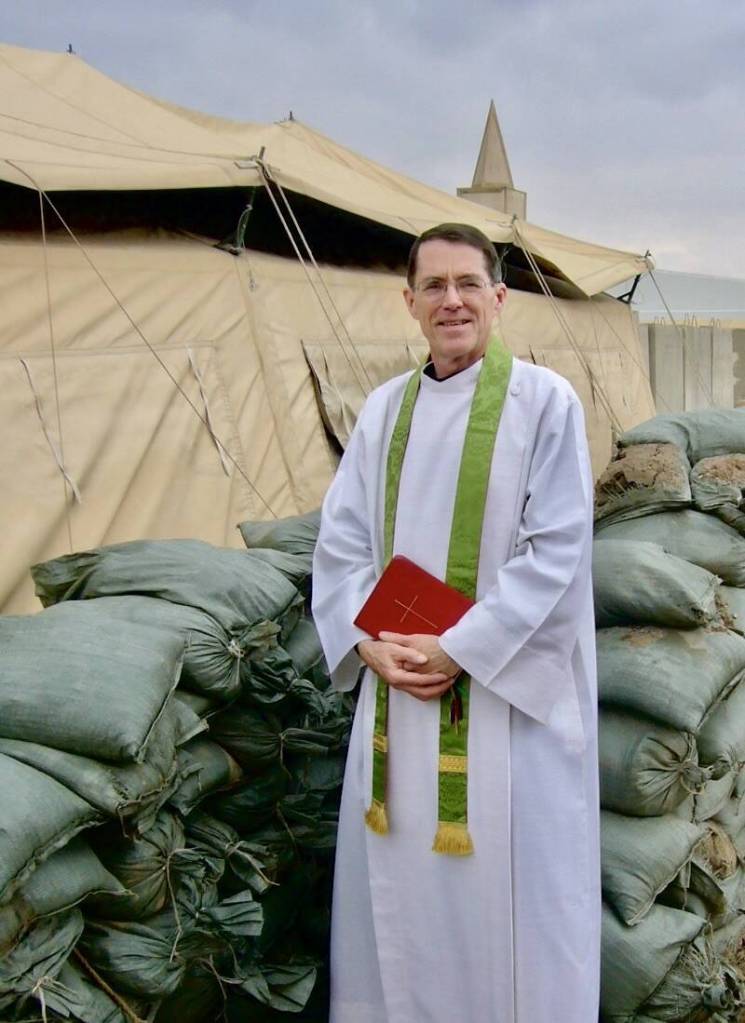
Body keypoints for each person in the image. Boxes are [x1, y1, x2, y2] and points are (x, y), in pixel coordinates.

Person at [311, 222, 600, 1023]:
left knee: (514, 915)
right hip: (399, 691)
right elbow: (339, 547)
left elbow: (557, 551)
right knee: (399, 901)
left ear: (499, 298)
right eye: (432, 286)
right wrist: (364, 641)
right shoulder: (381, 412)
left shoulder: (544, 402)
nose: (451, 300)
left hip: (508, 711)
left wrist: (461, 646)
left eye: (467, 283)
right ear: (408, 303)